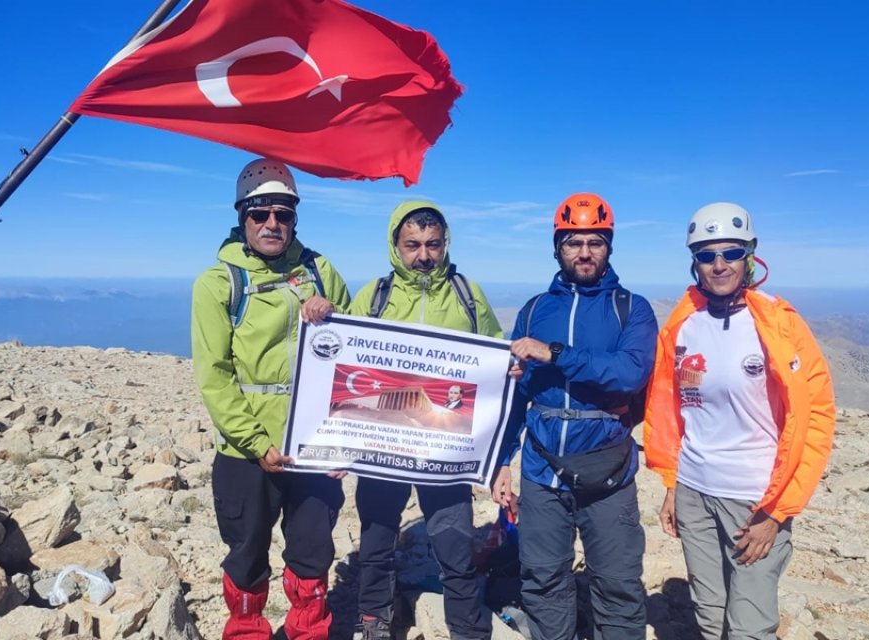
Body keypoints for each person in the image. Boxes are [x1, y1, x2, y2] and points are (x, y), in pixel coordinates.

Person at [643, 202, 836, 639]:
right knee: (710, 614)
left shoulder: (777, 325)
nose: (719, 264)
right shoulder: (683, 323)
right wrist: (672, 485)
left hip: (753, 501)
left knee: (749, 625)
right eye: (707, 255)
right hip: (694, 491)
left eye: (730, 253)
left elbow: (816, 417)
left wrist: (776, 512)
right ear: (695, 262)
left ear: (749, 255)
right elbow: (671, 410)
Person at [191, 158, 352, 640]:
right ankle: (246, 631)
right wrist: (258, 442)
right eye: (260, 214)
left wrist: (334, 312)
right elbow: (214, 375)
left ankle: (309, 633)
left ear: (295, 219)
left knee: (312, 552)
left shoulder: (321, 271)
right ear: (242, 217)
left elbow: (356, 351)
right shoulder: (219, 283)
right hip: (246, 453)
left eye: (283, 214)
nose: (272, 224)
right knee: (246, 555)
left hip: (312, 444)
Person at [491, 193, 657, 639]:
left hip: (608, 473)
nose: (584, 252)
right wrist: (501, 461)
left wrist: (558, 354)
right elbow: (517, 393)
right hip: (543, 471)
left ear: (609, 247)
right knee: (543, 581)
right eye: (573, 242)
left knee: (618, 585)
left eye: (595, 242)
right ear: (557, 247)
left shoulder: (631, 308)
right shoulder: (534, 310)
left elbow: (629, 374)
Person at [349, 201, 505, 640]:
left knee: (455, 546)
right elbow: (343, 359)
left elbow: (493, 347)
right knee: (377, 540)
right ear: (395, 246)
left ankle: (467, 630)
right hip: (385, 446)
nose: (423, 255)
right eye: (412, 244)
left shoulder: (467, 295)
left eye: (432, 245)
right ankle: (374, 621)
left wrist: (508, 366)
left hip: (445, 447)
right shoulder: (374, 296)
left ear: (445, 244)